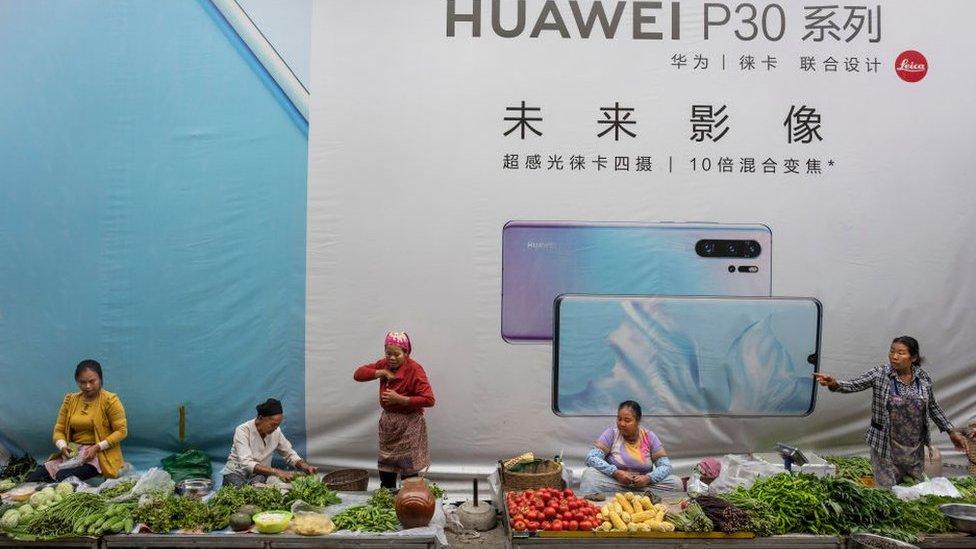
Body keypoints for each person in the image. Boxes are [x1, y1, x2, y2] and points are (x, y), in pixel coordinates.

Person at [814, 336, 968, 487]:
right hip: (885, 444)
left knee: (915, 489)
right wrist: (834, 383)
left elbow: (933, 406)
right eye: (892, 351)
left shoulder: (923, 378)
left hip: (913, 447)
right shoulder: (880, 373)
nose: (894, 357)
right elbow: (854, 384)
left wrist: (950, 430)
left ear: (913, 357)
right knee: (887, 490)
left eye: (901, 353)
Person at [354, 331, 435, 489]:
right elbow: (358, 374)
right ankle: (387, 495)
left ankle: (408, 499)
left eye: (396, 354)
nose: (391, 358)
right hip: (389, 426)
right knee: (386, 465)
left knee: (407, 470)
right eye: (388, 353)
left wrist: (401, 399)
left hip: (409, 425)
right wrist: (381, 372)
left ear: (406, 352)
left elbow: (429, 399)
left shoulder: (415, 369)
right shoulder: (384, 364)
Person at [27, 360, 128, 482]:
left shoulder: (110, 401)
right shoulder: (70, 400)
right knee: (33, 478)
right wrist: (63, 446)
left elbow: (121, 431)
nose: (87, 386)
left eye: (92, 381)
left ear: (100, 379)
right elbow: (59, 429)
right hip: (74, 451)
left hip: (99, 454)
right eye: (82, 382)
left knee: (62, 476)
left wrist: (97, 447)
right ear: (77, 381)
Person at [580, 400, 682, 496]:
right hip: (616, 484)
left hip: (644, 486)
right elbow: (591, 458)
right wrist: (615, 473)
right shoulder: (611, 433)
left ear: (638, 421)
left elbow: (666, 466)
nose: (622, 424)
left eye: (627, 420)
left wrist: (648, 478)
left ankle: (641, 496)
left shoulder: (649, 436)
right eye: (619, 419)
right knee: (589, 475)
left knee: (676, 483)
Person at [220, 398, 318, 487]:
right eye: (273, 425)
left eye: (278, 425)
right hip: (237, 472)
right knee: (241, 492)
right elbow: (246, 463)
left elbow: (289, 453)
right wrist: (277, 471)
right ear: (260, 418)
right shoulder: (243, 430)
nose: (275, 428)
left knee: (257, 491)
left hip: (258, 474)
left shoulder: (276, 431)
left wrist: (304, 466)